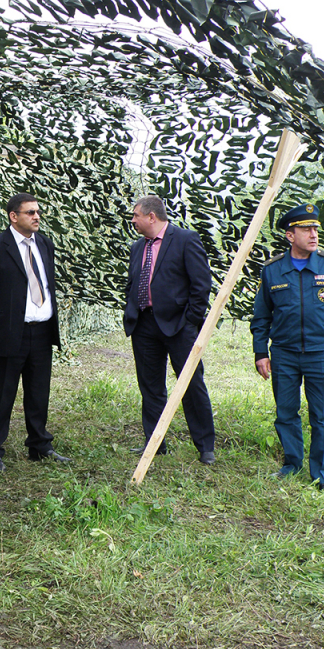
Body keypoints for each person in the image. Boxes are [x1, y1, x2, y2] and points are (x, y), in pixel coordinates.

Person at [250, 203, 324, 492]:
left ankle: (323, 474)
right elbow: (262, 316)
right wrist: (261, 352)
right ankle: (291, 464)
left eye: (315, 229)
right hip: (284, 355)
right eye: (306, 229)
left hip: (322, 354)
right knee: (285, 412)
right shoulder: (273, 271)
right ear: (290, 235)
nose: (313, 234)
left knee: (322, 415)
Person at [0, 192, 69, 473]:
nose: (37, 217)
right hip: (8, 332)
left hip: (41, 332)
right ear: (13, 216)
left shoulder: (46, 245)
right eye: (30, 212)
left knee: (39, 392)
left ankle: (39, 445)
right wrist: (4, 314)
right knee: (1, 394)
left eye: (38, 212)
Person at [122, 195, 216, 464]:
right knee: (150, 386)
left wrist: (190, 321)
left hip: (178, 326)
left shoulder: (185, 239)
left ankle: (205, 446)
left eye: (136, 215)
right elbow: (134, 281)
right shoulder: (137, 247)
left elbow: (201, 284)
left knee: (190, 382)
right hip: (144, 324)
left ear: (152, 216)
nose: (133, 220)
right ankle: (155, 442)